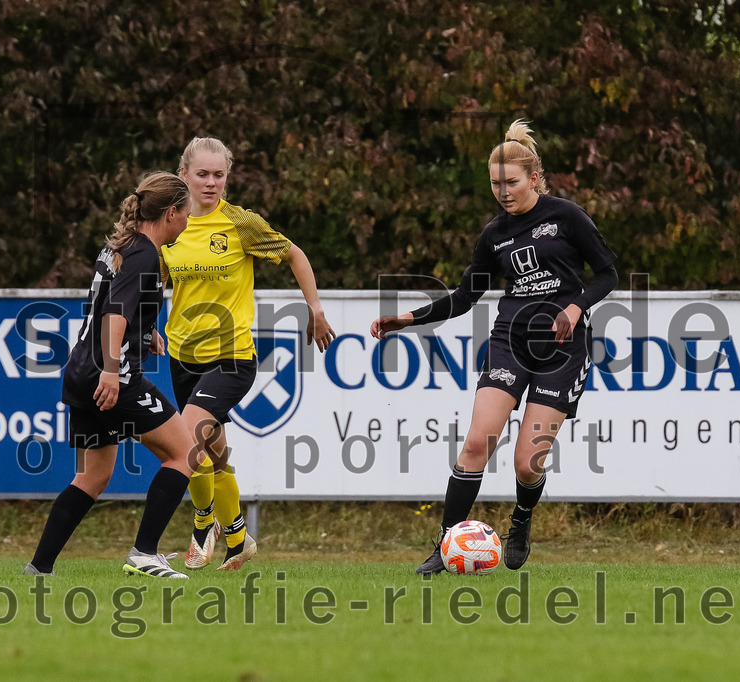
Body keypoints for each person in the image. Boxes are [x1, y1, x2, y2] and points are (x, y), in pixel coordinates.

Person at [371, 120, 617, 574]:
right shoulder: (494, 235)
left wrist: (576, 308)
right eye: (495, 185)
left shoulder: (567, 217)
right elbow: (465, 298)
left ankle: (520, 520)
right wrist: (406, 319)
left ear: (534, 179)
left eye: (512, 182)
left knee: (527, 463)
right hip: (509, 341)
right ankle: (446, 545)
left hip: (562, 348)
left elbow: (607, 273)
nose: (503, 192)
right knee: (475, 446)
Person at [162, 137, 336, 570]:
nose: (211, 183)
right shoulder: (171, 225)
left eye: (219, 175)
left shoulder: (239, 224)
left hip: (232, 356)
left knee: (188, 441)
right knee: (214, 454)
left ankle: (204, 523)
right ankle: (238, 539)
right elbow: (155, 280)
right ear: (183, 175)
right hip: (182, 354)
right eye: (202, 174)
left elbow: (294, 253)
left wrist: (314, 308)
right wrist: (148, 324)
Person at [25, 172, 198, 579]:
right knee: (184, 452)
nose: (188, 222)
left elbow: (113, 303)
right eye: (186, 214)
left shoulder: (120, 246)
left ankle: (40, 567)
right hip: (110, 376)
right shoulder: (144, 254)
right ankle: (144, 553)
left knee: (93, 476)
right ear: (171, 213)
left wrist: (146, 331)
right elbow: (114, 315)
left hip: (80, 372)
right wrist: (111, 370)